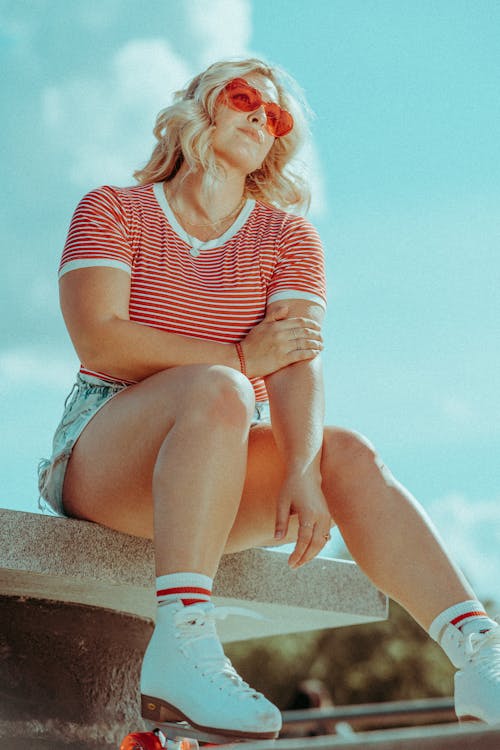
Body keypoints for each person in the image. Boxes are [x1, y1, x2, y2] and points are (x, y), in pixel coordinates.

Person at [39, 57, 499, 739]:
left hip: (212, 459)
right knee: (221, 387)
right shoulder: (113, 207)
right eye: (245, 97)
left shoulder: (286, 238)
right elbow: (101, 341)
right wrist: (234, 359)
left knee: (344, 451)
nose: (261, 115)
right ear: (201, 104)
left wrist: (300, 471)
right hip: (106, 454)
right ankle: (186, 639)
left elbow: (294, 367)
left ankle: (479, 658)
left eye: (276, 115)